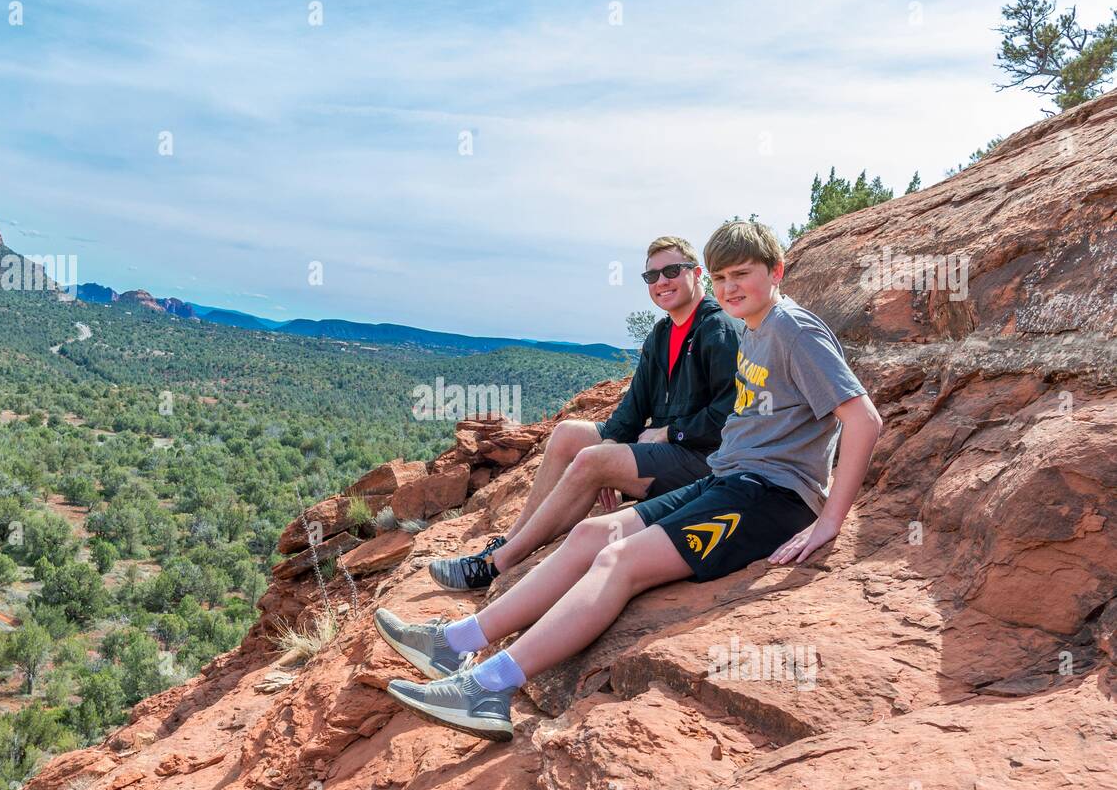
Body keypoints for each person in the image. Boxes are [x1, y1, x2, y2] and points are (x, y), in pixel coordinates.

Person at [375, 220, 884, 742]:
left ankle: (488, 688)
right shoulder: (753, 327)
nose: (732, 287)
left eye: (743, 274)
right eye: (723, 275)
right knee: (591, 536)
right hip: (729, 480)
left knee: (619, 562)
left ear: (775, 272)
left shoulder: (794, 330)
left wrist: (830, 519)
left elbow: (863, 420)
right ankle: (456, 642)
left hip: (770, 498)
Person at [428, 235, 743, 591]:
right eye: (651, 276)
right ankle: (510, 540)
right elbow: (633, 407)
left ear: (696, 273)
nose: (661, 282)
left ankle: (498, 564)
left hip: (703, 459)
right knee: (568, 435)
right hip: (662, 451)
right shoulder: (661, 334)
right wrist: (610, 448)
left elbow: (730, 413)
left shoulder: (719, 330)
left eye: (671, 270)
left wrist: (669, 434)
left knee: (591, 461)